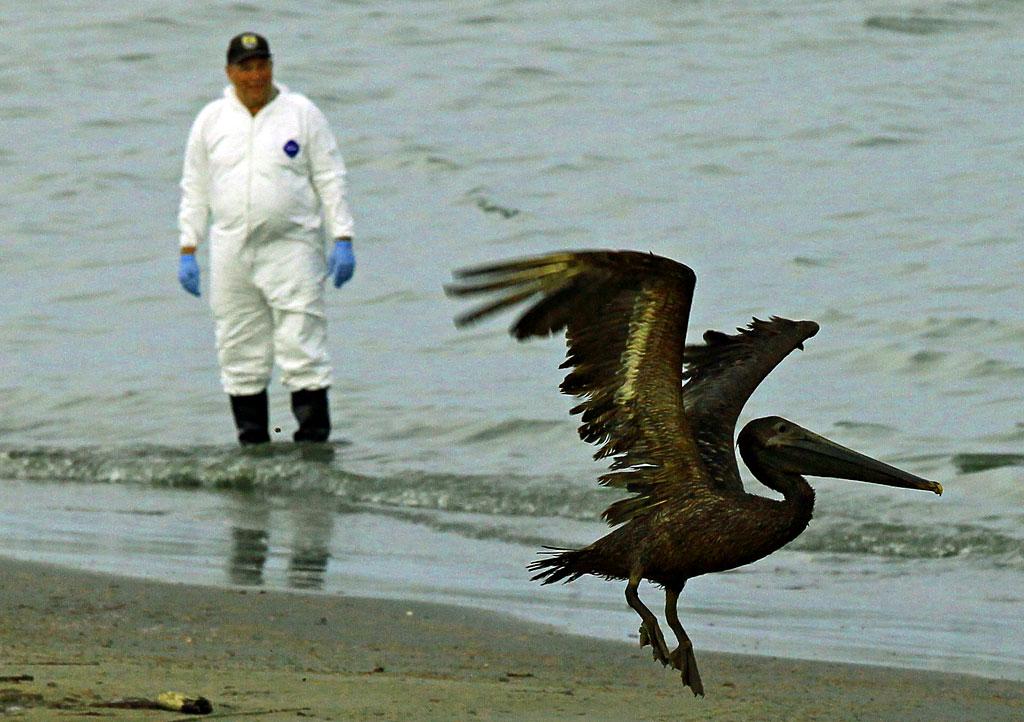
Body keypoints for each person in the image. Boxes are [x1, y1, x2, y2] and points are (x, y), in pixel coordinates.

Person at [177, 32, 355, 445]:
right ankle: (254, 448)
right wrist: (188, 246)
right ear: (229, 72)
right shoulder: (211, 120)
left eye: (262, 65)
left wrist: (342, 236)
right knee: (239, 350)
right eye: (246, 67)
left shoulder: (301, 113)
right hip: (230, 249)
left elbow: (330, 177)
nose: (255, 75)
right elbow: (195, 187)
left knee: (302, 347)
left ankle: (312, 448)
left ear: (272, 66)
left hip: (291, 246)